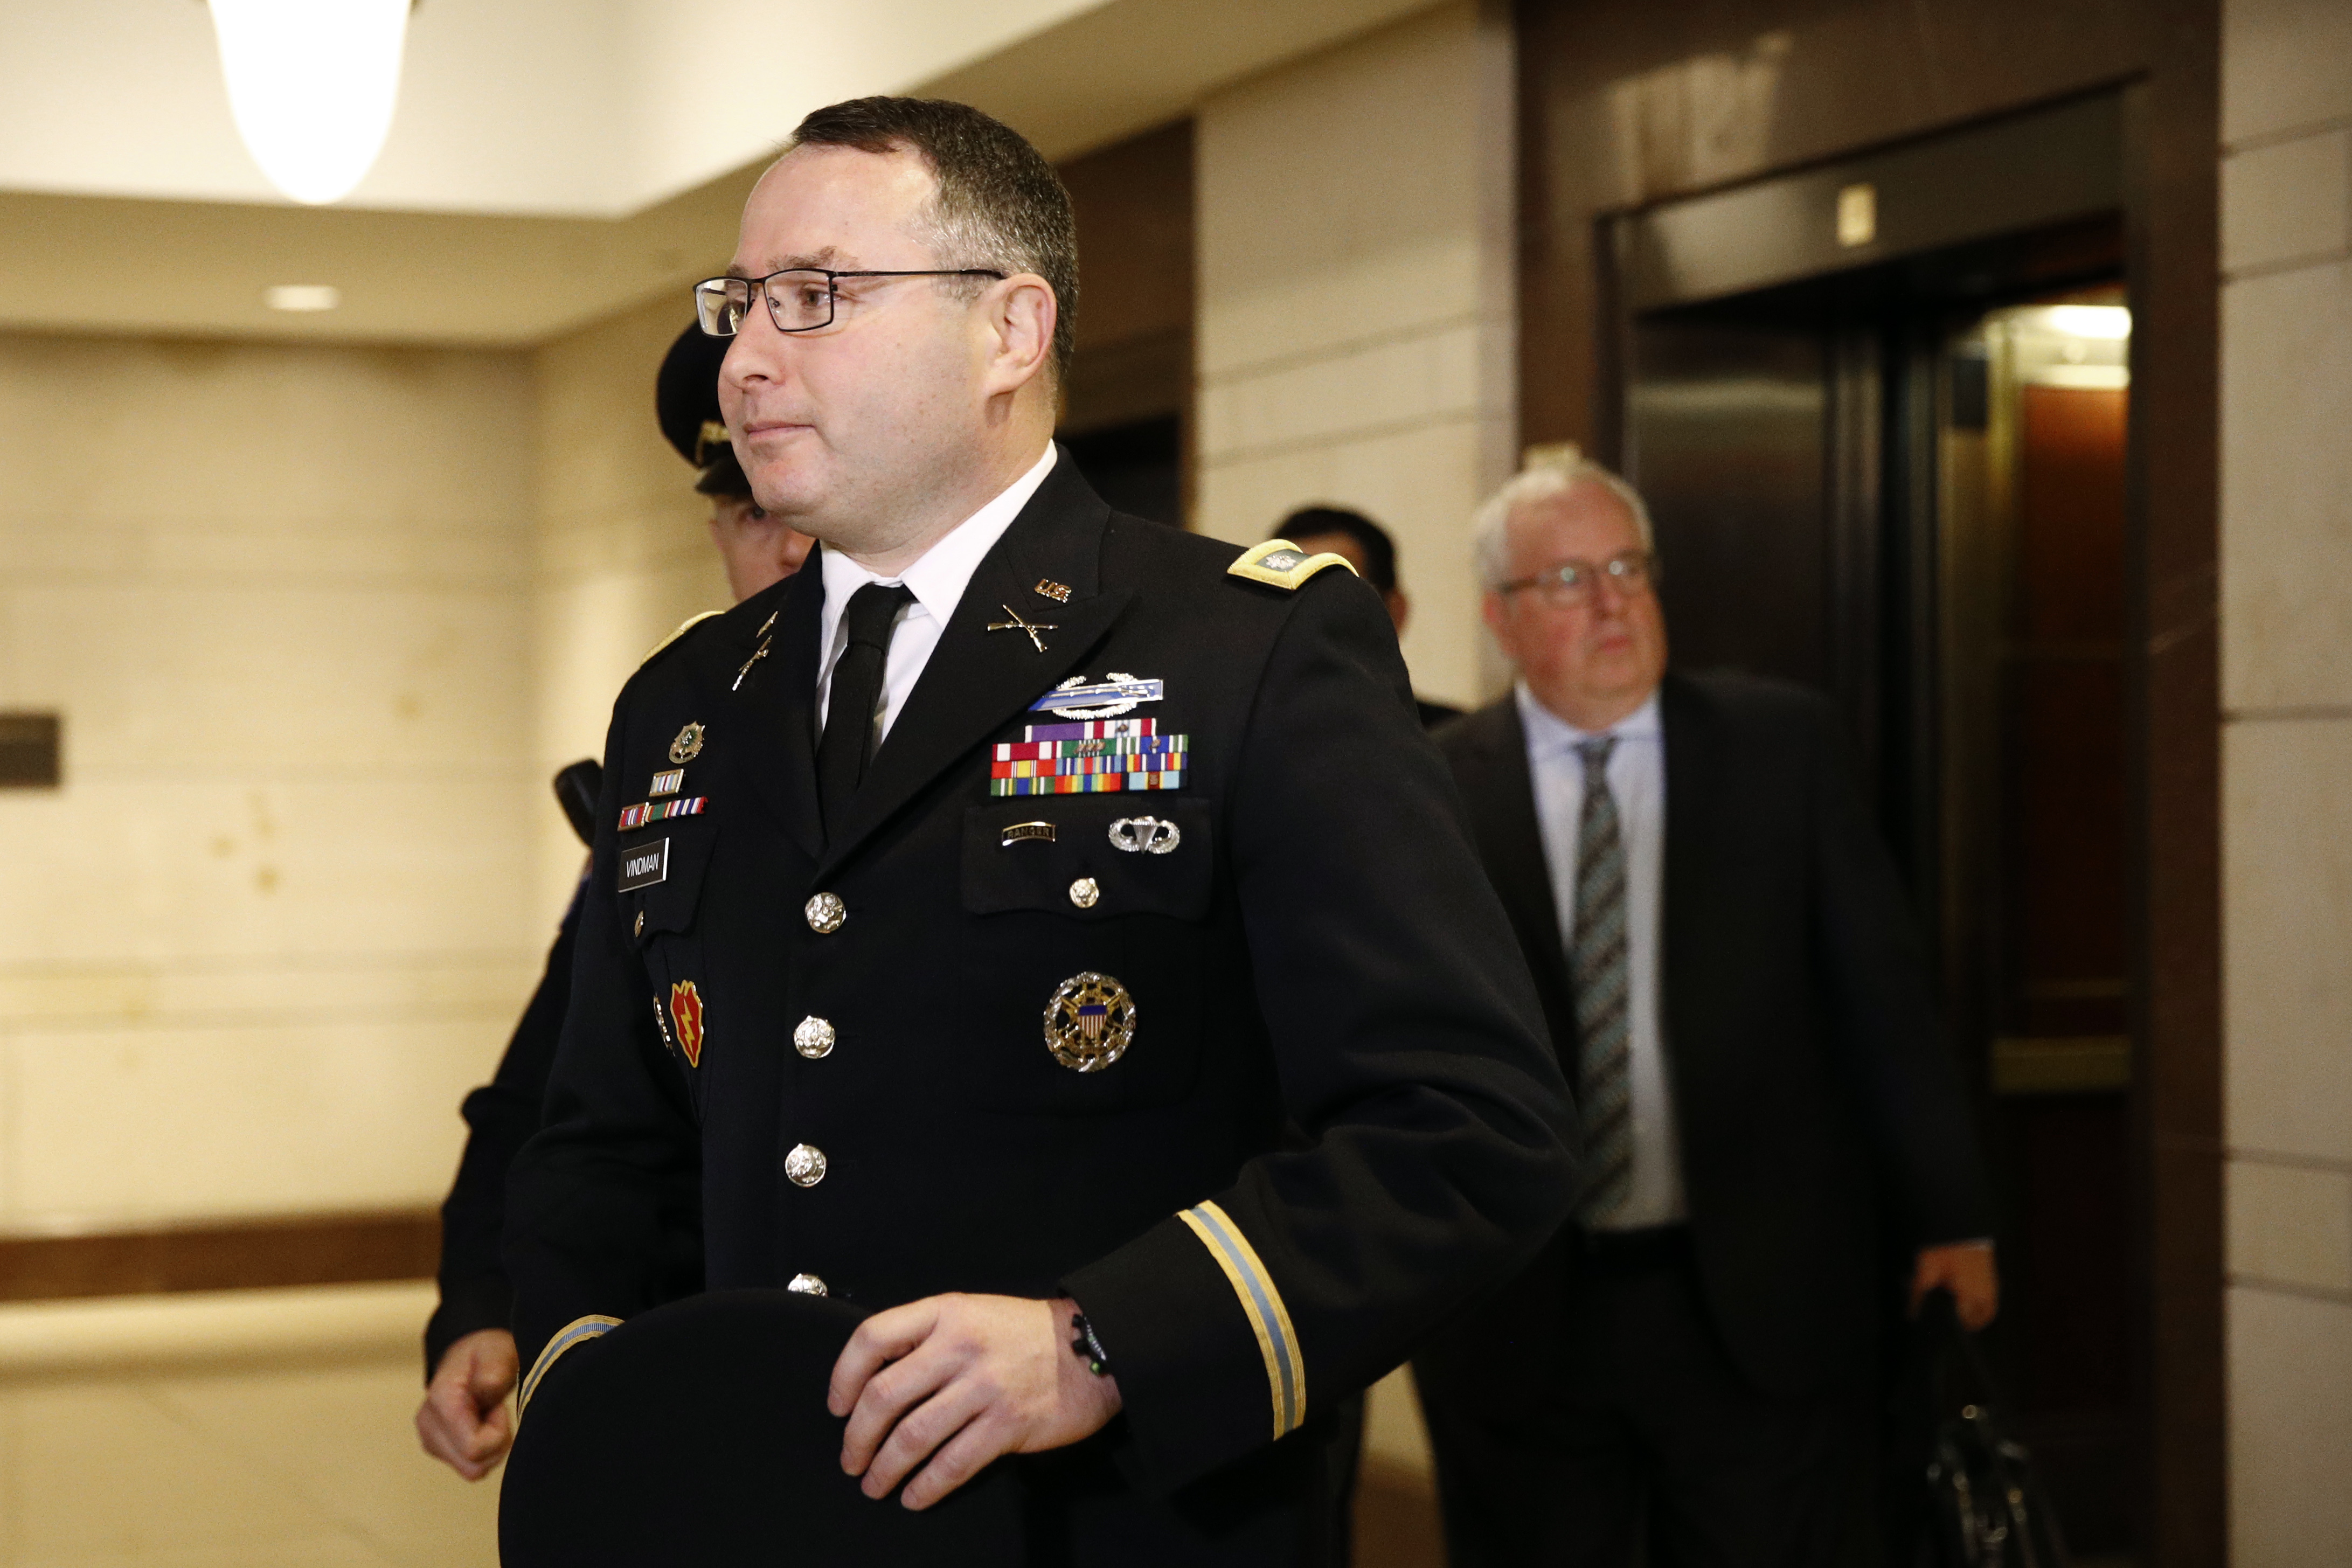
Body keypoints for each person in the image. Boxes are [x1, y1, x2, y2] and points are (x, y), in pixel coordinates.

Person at [502, 95, 1576, 1563]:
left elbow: (1468, 1127)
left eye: (815, 295)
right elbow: (601, 1138)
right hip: (764, 1517)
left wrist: (1103, 1339)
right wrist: (593, 1396)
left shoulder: (1241, 649)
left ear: (1010, 329)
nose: (746, 355)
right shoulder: (687, 699)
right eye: (739, 301)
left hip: (1113, 1526)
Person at [1410, 459, 1998, 1567]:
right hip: (1516, 1307)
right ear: (1499, 617)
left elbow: (1882, 998)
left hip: (1753, 1297)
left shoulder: (1781, 745)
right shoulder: (1430, 786)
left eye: (1628, 568)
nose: (1611, 603)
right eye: (1569, 579)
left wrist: (1951, 1215)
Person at [413, 323, 813, 1481]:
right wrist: (483, 1299)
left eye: (804, 509)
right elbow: (558, 1079)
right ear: (717, 533)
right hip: (693, 1347)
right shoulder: (677, 752)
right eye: (752, 513)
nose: (788, 549)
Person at [1272, 504, 1461, 727]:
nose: (1307, 621)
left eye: (1336, 599)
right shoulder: (1239, 736)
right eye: (1286, 596)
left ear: (1395, 612)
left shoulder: (1454, 739)